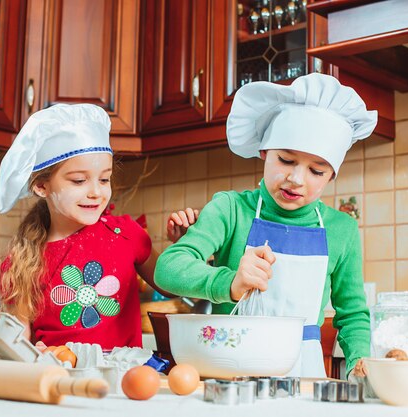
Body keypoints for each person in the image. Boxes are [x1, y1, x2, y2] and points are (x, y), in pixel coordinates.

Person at [155, 73, 377, 378]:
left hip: (304, 374)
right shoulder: (231, 209)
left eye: (316, 170)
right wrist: (230, 283)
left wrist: (360, 363)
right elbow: (168, 267)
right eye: (286, 160)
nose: (297, 179)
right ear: (264, 152)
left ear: (332, 175)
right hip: (229, 374)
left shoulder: (342, 229)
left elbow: (352, 314)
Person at [0, 103, 192, 351]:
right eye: (79, 180)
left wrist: (186, 247)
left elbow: (173, 288)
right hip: (59, 380)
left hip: (123, 380)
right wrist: (31, 353)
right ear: (41, 186)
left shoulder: (126, 234)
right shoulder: (21, 261)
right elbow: (16, 345)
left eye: (104, 179)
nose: (96, 192)